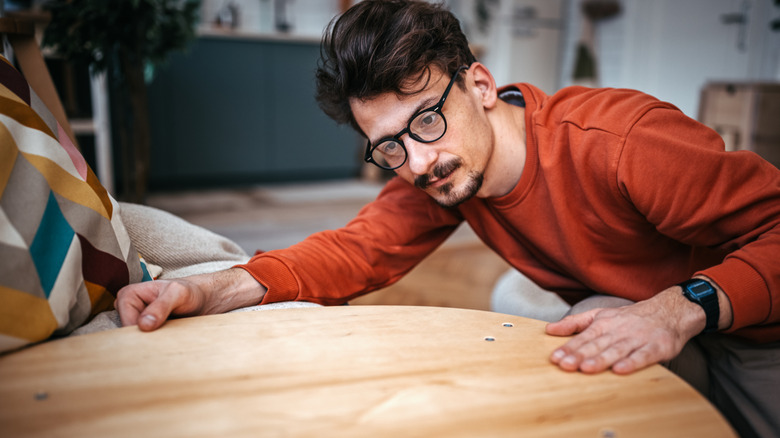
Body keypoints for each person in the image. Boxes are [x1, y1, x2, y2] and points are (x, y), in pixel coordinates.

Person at [116, 1, 780, 436]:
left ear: (481, 87)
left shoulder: (622, 144)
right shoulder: (442, 172)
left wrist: (683, 305)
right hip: (651, 316)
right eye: (390, 147)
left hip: (759, 331)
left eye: (428, 121)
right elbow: (358, 250)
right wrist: (210, 286)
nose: (419, 160)